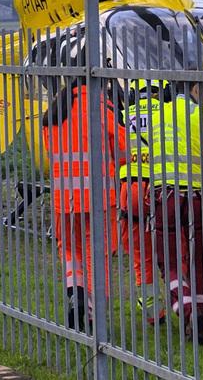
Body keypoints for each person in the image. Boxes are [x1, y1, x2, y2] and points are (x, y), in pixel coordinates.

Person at [42, 70, 126, 332]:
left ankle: (75, 292)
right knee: (96, 254)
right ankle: (92, 314)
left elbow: (50, 152)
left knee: (69, 248)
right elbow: (123, 152)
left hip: (63, 197)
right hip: (98, 197)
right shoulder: (101, 108)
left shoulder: (55, 111)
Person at [149, 80, 203, 344]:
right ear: (196, 89)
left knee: (170, 262)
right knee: (200, 261)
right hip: (200, 198)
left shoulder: (158, 114)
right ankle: (200, 312)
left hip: (164, 197)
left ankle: (187, 310)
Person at [118, 78, 170, 326]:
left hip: (131, 189)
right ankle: (185, 304)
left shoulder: (124, 115)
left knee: (141, 254)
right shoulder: (168, 112)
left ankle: (153, 313)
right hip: (162, 188)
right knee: (175, 250)